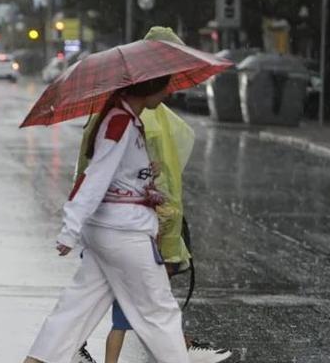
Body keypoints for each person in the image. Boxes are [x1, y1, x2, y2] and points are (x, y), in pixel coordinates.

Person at [71, 28, 231, 363]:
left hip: (127, 225)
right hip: (139, 228)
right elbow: (146, 180)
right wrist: (165, 229)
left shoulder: (128, 111)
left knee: (117, 300)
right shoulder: (139, 118)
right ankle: (176, 349)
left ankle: (73, 345)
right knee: (144, 304)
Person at [24, 75, 189, 363]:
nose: (167, 94)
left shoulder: (125, 120)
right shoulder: (120, 123)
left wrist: (143, 177)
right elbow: (94, 177)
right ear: (148, 87)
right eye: (164, 87)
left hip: (109, 232)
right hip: (124, 233)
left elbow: (113, 175)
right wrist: (69, 229)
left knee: (73, 314)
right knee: (160, 313)